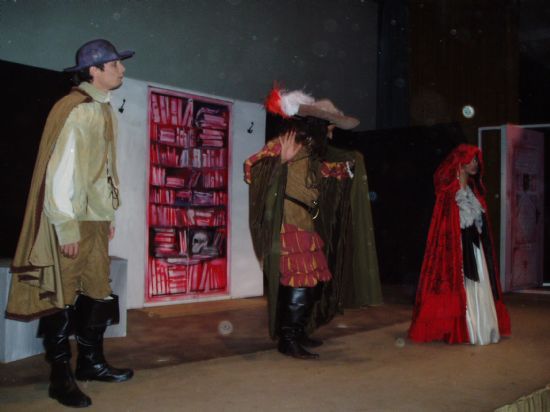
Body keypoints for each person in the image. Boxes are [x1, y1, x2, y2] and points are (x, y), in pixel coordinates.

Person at [5, 39, 135, 408]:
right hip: (71, 220)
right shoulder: (76, 109)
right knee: (61, 296)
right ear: (94, 70)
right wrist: (65, 227)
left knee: (98, 289)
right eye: (114, 65)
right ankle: (59, 377)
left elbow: (102, 172)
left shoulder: (102, 109)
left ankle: (91, 363)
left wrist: (106, 215)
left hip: (93, 220)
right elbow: (60, 172)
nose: (121, 70)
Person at [244, 86, 382, 359]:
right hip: (288, 223)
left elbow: (324, 173)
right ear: (317, 125)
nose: (331, 133)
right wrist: (279, 163)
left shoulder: (312, 152)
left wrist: (348, 167)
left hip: (305, 222)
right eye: (328, 128)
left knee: (312, 281)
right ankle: (288, 338)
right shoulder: (286, 142)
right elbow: (251, 168)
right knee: (298, 281)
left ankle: (298, 330)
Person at [408, 143, 511, 344]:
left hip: (474, 245)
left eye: (476, 161)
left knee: (480, 282)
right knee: (459, 282)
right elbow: (443, 224)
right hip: (455, 247)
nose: (474, 165)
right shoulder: (449, 191)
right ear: (460, 162)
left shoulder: (474, 190)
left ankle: (481, 326)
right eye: (471, 160)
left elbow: (480, 222)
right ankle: (461, 328)